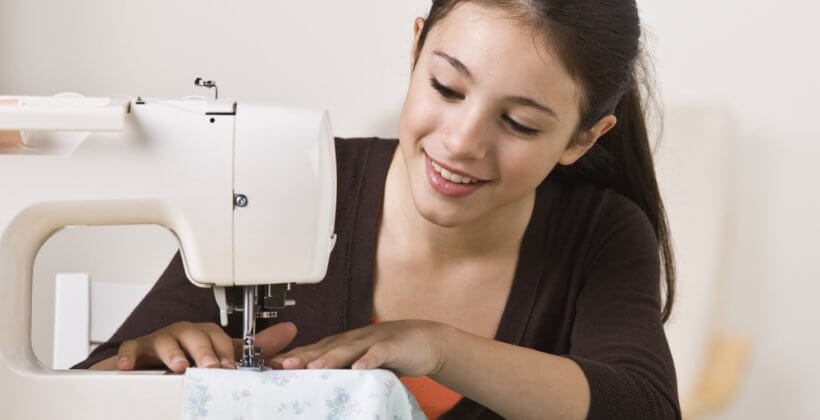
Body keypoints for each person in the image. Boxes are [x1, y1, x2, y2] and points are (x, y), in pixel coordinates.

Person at [75, 1, 680, 418]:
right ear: (416, 48)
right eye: (446, 88)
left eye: (518, 123)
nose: (462, 141)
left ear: (583, 138)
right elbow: (84, 389)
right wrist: (149, 364)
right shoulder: (292, 183)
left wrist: (438, 348)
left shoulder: (598, 233)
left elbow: (643, 406)